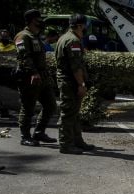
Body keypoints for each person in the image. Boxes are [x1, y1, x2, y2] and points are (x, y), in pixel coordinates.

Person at [13, 9, 58, 146]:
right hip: (29, 77)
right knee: (28, 107)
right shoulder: (22, 36)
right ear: (33, 20)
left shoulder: (36, 36)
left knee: (51, 105)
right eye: (39, 19)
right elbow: (24, 57)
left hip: (43, 77)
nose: (42, 21)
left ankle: (39, 132)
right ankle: (25, 136)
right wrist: (33, 72)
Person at [55, 14, 94, 155]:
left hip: (68, 80)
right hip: (70, 81)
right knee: (68, 113)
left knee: (74, 113)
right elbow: (76, 66)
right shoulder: (72, 41)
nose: (86, 28)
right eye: (84, 25)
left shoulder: (65, 38)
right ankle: (65, 144)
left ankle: (77, 141)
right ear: (79, 26)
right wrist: (81, 84)